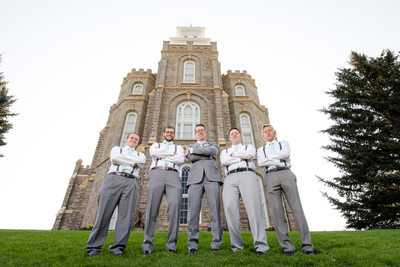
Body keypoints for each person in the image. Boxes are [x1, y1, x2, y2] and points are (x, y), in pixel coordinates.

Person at [257, 124, 315, 256]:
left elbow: (286, 154)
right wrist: (278, 158)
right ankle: (287, 246)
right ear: (263, 135)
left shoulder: (284, 143)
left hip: (286, 173)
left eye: (269, 130)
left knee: (296, 209)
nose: (267, 133)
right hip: (270, 176)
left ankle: (307, 245)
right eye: (265, 132)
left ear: (274, 133)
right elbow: (261, 162)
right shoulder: (261, 150)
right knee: (277, 213)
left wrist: (269, 159)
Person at [86, 132, 146, 257]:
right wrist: (132, 163)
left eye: (136, 139)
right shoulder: (116, 149)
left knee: (126, 217)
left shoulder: (140, 155)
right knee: (103, 214)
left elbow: (140, 162)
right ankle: (94, 247)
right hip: (113, 179)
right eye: (132, 138)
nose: (134, 140)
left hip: (131, 181)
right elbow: (115, 159)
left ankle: (118, 247)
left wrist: (125, 161)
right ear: (127, 139)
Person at [220, 128, 269, 254]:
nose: (234, 135)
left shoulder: (249, 147)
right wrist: (240, 157)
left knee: (254, 208)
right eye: (232, 134)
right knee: (230, 209)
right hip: (230, 177)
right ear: (229, 138)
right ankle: (236, 246)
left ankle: (261, 245)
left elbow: (250, 155)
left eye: (236, 133)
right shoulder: (225, 151)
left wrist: (233, 156)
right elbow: (223, 161)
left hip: (247, 174)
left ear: (240, 136)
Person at [142, 126, 185, 255]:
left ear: (174, 135)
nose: (169, 134)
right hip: (156, 173)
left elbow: (181, 159)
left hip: (173, 175)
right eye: (167, 132)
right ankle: (147, 246)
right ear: (164, 133)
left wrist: (165, 156)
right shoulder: (156, 145)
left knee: (174, 207)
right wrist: (171, 155)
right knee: (152, 209)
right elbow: (154, 154)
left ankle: (171, 245)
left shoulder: (179, 148)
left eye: (172, 132)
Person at [186, 124, 223, 254]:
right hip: (195, 179)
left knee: (215, 211)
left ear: (205, 133)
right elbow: (191, 158)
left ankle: (216, 243)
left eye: (202, 130)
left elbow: (212, 151)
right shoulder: (189, 146)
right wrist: (206, 155)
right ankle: (192, 245)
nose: (200, 132)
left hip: (212, 177)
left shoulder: (213, 144)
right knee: (193, 212)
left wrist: (198, 153)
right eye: (198, 131)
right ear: (195, 134)